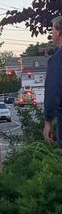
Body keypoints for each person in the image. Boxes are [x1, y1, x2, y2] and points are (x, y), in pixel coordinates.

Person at [43, 16, 62, 147]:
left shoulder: (57, 60)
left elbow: (53, 91)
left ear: (59, 32)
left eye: (52, 31)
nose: (52, 34)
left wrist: (48, 121)